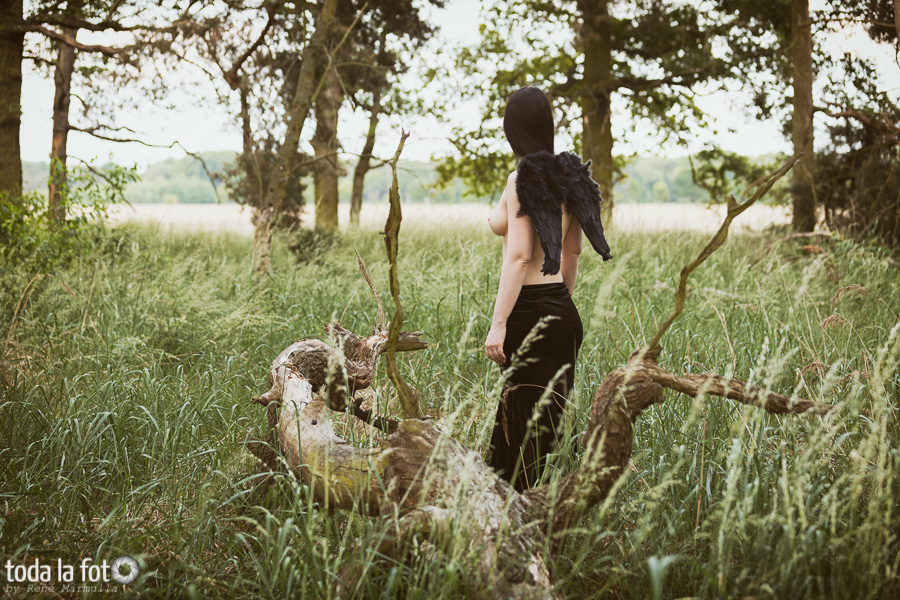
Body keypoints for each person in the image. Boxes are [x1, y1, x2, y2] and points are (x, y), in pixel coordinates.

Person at [485, 86, 613, 492]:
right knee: (544, 431)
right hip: (561, 312)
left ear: (512, 130)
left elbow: (519, 256)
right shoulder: (568, 178)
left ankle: (510, 523)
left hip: (528, 314)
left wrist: (499, 323)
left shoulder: (521, 176)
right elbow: (572, 251)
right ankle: (539, 516)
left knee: (516, 432)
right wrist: (559, 306)